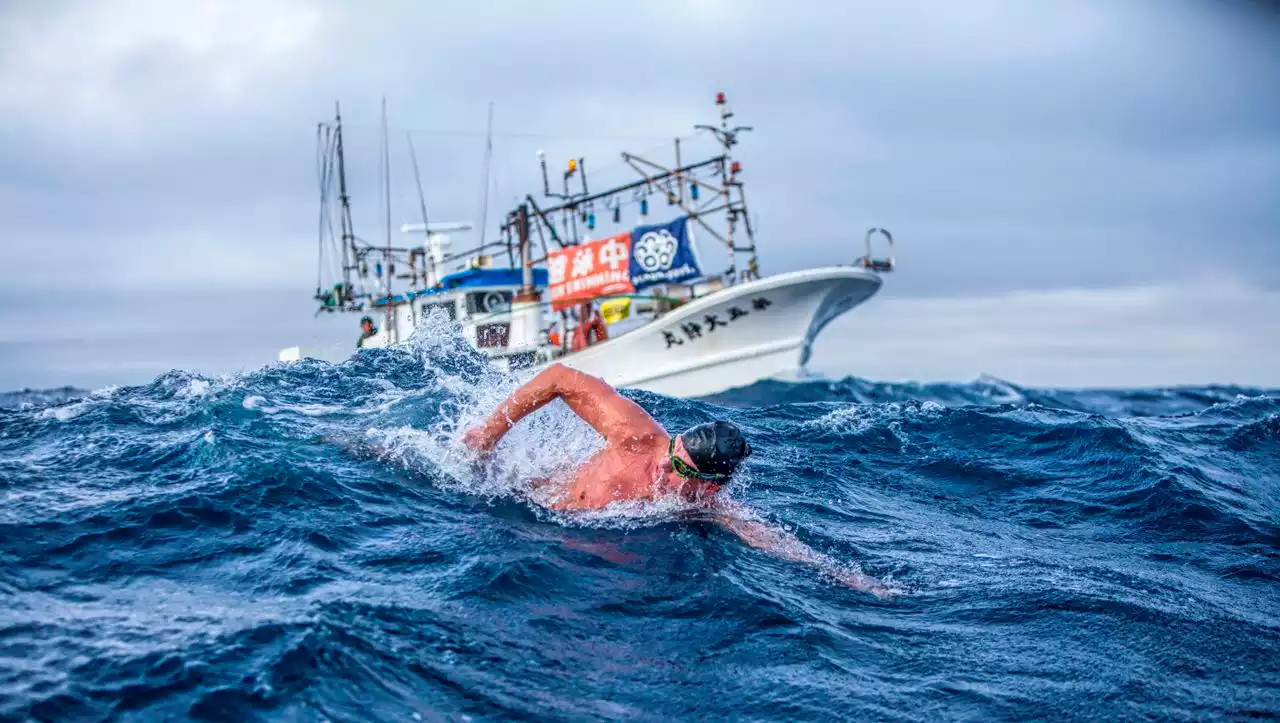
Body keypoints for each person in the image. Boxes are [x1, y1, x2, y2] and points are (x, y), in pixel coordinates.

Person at [462, 363, 892, 598]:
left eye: (680, 469)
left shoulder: (704, 509)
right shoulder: (638, 437)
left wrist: (851, 578)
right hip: (503, 507)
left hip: (557, 566)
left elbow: (772, 541)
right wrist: (490, 432)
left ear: (708, 486)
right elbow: (560, 377)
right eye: (673, 453)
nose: (664, 466)